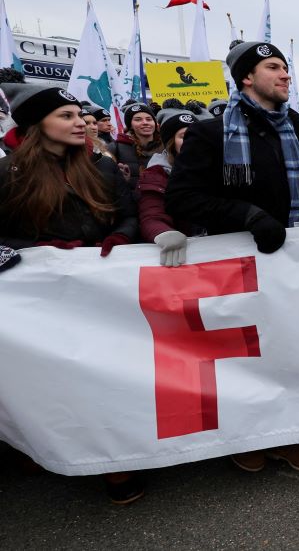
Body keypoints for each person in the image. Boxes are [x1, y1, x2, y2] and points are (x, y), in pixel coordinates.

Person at [166, 41, 299, 474]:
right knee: (250, 359)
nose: (285, 75)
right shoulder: (212, 133)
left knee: (297, 349)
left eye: (286, 68)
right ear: (246, 77)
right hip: (246, 267)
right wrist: (247, 214)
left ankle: (292, 434)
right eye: (273, 67)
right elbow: (183, 199)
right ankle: (246, 434)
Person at [0, 83, 142, 504]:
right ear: (35, 125)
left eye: (80, 114)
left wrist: (120, 234)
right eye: (66, 116)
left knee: (107, 373)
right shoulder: (8, 175)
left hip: (101, 291)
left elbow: (129, 214)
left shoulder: (100, 166)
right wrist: (36, 251)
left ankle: (117, 462)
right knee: (59, 381)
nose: (80, 122)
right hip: (43, 302)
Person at [139, 108, 211, 266]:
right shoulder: (157, 174)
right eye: (184, 136)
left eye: (196, 135)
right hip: (185, 257)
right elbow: (152, 213)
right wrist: (164, 233)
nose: (193, 140)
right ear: (171, 143)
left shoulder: (217, 169)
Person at [109, 102, 163, 192]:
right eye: (138, 120)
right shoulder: (115, 148)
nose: (145, 122)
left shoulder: (167, 147)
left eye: (149, 119)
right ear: (130, 125)